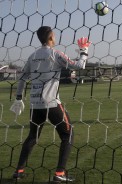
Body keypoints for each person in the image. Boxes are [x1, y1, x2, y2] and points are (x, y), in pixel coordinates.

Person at [10, 26, 91, 182]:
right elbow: (79, 66)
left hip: (35, 104)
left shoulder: (32, 56)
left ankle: (19, 170)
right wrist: (84, 50)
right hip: (51, 103)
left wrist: (19, 98)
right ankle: (60, 173)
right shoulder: (55, 54)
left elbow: (22, 77)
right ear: (50, 38)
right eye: (54, 35)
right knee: (68, 135)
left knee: (32, 137)